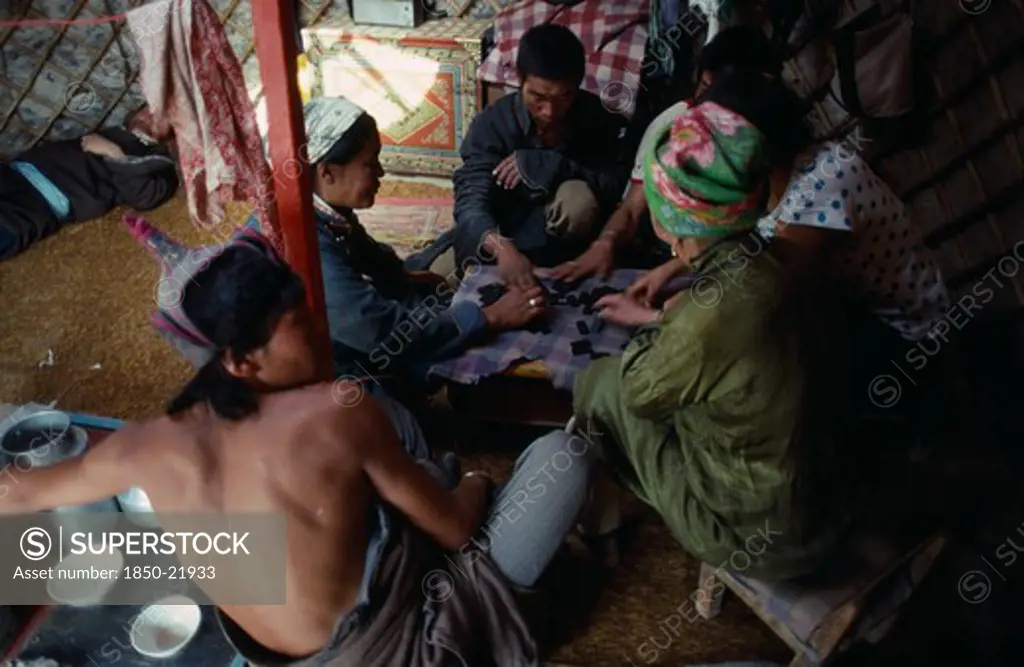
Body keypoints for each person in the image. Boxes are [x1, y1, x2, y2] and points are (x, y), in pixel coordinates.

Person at [0, 227, 602, 666]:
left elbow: (18, 490)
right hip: (406, 648)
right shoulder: (336, 411)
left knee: (397, 445)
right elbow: (455, 533)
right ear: (239, 360)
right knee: (562, 460)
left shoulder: (145, 447)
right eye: (303, 328)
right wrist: (475, 482)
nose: (322, 334)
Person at [573, 100, 859, 580]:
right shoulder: (786, 262)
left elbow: (640, 392)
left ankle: (600, 530)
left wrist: (661, 324)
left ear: (668, 223)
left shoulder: (709, 315)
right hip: (829, 512)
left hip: (757, 540)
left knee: (600, 383)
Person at [278, 96, 547, 394]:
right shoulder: (310, 246)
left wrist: (406, 277)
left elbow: (372, 257)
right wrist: (490, 317)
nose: (381, 173)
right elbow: (379, 331)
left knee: (435, 282)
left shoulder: (326, 212)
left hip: (350, 327)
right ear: (327, 171)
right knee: (412, 367)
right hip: (332, 367)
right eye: (370, 163)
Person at [552, 25, 784, 283]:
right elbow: (631, 209)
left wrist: (666, 309)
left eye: (718, 94)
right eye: (703, 87)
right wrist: (605, 243)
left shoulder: (781, 153)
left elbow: (769, 249)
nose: (704, 104)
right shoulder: (672, 126)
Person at [405, 24, 631, 289]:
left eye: (563, 97)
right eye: (538, 97)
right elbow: (470, 204)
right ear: (520, 81)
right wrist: (504, 250)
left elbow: (616, 187)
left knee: (577, 199)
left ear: (577, 85)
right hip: (505, 230)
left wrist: (555, 166)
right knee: (441, 282)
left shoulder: (595, 116)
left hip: (569, 241)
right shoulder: (492, 124)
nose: (549, 111)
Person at [0, 107, 178, 261]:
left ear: (172, 135)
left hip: (42, 202)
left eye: (161, 119)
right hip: (18, 173)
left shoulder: (157, 160)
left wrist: (113, 153)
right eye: (149, 109)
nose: (148, 115)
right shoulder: (119, 131)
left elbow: (146, 197)